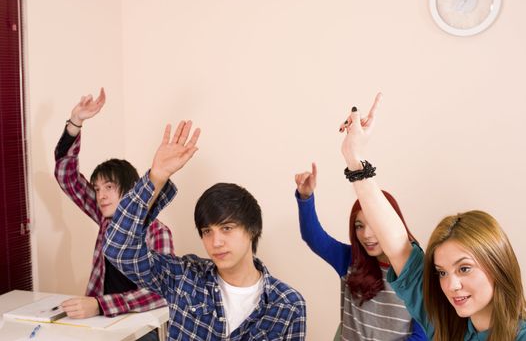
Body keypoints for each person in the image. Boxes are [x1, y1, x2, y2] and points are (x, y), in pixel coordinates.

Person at [338, 93, 526, 340]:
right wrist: (354, 159)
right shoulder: (444, 319)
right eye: (442, 272)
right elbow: (398, 248)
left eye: (465, 268)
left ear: (498, 266)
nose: (451, 285)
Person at [103, 121, 307, 340]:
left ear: (253, 230)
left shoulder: (288, 304)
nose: (215, 242)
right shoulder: (184, 277)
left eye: (227, 228)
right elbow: (118, 249)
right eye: (207, 231)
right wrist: (157, 177)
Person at [54, 88, 173, 341]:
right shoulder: (105, 219)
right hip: (101, 322)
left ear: (131, 192)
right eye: (97, 189)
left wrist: (100, 304)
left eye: (109, 187)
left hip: (141, 325)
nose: (101, 196)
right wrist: (76, 122)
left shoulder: (156, 231)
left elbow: (162, 292)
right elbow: (67, 177)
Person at [295, 163, 427, 340]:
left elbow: (422, 336)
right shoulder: (350, 260)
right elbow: (313, 237)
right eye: (359, 226)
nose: (366, 235)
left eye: (374, 224)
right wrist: (305, 197)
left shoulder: (418, 272)